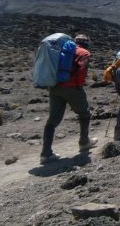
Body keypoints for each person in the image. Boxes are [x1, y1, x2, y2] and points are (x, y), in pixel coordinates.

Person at [40, 34, 97, 164]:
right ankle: (84, 142)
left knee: (52, 121)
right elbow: (81, 69)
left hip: (55, 87)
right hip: (73, 88)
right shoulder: (84, 52)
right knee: (84, 114)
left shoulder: (61, 50)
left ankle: (45, 153)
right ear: (86, 43)